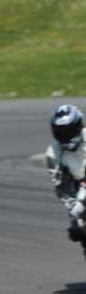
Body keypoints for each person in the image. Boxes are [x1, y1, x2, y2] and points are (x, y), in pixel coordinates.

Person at [46, 104, 86, 257]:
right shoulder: (53, 152)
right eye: (60, 131)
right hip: (77, 186)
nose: (64, 135)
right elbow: (59, 184)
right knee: (77, 231)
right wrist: (73, 206)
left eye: (68, 131)